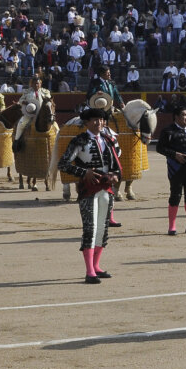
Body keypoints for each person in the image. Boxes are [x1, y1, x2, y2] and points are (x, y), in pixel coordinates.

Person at [57, 107, 121, 284]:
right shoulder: (79, 140)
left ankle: (97, 265)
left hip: (106, 188)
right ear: (86, 122)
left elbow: (116, 164)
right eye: (95, 120)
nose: (99, 123)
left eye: (101, 120)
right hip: (88, 189)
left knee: (103, 228)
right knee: (90, 228)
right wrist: (84, 172)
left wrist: (115, 175)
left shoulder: (108, 140)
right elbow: (62, 164)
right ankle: (89, 270)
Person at [155, 103, 186, 236]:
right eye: (183, 115)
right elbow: (160, 148)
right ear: (176, 117)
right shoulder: (168, 131)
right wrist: (175, 155)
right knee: (175, 195)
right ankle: (172, 226)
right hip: (175, 168)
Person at [12, 74, 52, 152]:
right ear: (32, 84)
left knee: (55, 125)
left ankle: (56, 138)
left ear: (40, 84)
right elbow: (21, 100)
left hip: (43, 112)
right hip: (30, 113)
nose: (36, 85)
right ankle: (16, 141)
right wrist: (22, 102)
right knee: (21, 123)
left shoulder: (46, 91)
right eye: (35, 83)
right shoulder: (27, 91)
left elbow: (48, 100)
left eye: (38, 83)